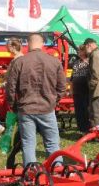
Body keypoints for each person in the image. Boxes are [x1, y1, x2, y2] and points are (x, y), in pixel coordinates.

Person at [5, 33, 66, 166]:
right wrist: (53, 102)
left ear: (27, 44)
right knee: (52, 143)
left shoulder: (19, 62)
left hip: (26, 109)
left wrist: (14, 106)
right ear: (43, 44)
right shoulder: (54, 62)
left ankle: (30, 174)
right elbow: (62, 88)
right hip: (47, 109)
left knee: (28, 144)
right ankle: (58, 171)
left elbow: (10, 88)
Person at [3, 37, 24, 169]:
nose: (6, 48)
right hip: (15, 94)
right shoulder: (18, 59)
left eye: (7, 46)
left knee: (19, 124)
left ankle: (17, 146)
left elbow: (13, 79)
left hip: (16, 96)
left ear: (12, 47)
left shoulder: (18, 60)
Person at [70, 44, 92, 133]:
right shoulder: (76, 63)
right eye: (78, 51)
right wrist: (71, 89)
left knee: (86, 110)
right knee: (78, 110)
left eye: (80, 50)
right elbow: (72, 78)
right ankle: (81, 128)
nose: (78, 52)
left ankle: (88, 128)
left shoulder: (89, 62)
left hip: (86, 90)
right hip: (77, 90)